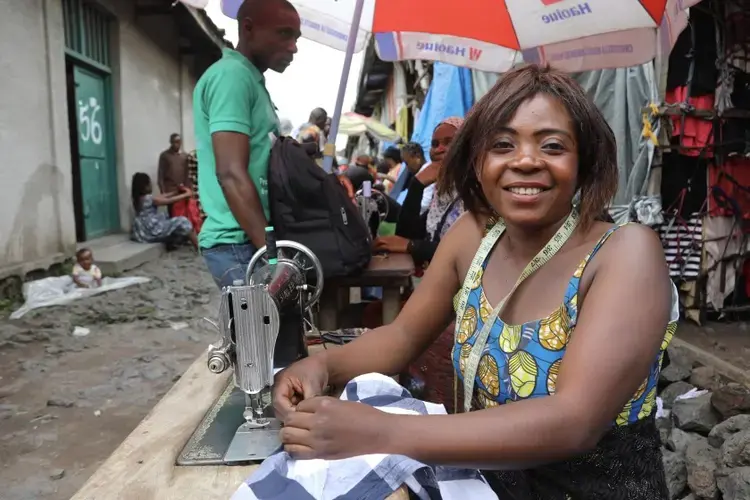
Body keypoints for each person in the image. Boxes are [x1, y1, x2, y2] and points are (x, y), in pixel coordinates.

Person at [273, 65, 677, 499]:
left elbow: (574, 421)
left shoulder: (626, 253)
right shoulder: (473, 236)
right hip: (485, 483)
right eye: (503, 144)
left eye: (553, 145)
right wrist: (322, 365)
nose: (525, 160)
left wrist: (382, 431)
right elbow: (403, 335)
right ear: (478, 160)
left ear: (584, 163)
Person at [193, 0, 300, 288]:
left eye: (296, 37)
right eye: (284, 34)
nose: (293, 47)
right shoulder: (232, 77)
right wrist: (272, 257)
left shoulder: (251, 81)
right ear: (248, 28)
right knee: (259, 332)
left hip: (249, 240)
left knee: (271, 332)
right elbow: (230, 173)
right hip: (238, 242)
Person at [374, 120, 465, 267]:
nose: (439, 149)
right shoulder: (442, 194)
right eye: (435, 144)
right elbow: (405, 234)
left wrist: (412, 245)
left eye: (449, 142)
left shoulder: (478, 192)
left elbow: (468, 252)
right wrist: (416, 185)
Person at [131, 172, 199, 250]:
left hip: (143, 229)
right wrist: (186, 195)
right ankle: (198, 246)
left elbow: (162, 196)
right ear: (145, 186)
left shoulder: (139, 199)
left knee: (166, 215)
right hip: (151, 230)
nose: (151, 185)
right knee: (183, 221)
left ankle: (174, 242)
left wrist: (175, 192)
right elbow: (168, 200)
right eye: (149, 184)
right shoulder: (149, 198)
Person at [157, 133, 190, 217]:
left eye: (179, 142)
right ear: (171, 142)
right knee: (172, 213)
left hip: (182, 190)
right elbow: (161, 174)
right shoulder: (165, 156)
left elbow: (187, 173)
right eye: (175, 142)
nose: (177, 144)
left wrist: (188, 188)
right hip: (170, 190)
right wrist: (163, 191)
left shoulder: (184, 156)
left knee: (183, 213)